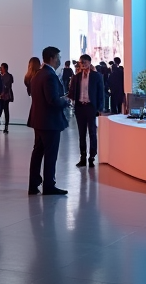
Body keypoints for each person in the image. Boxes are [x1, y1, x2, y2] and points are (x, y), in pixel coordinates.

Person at [27, 46, 70, 196]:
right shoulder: (49, 76)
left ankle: (33, 185)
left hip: (38, 121)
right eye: (58, 57)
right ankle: (49, 186)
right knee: (50, 155)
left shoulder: (37, 74)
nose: (59, 60)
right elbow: (52, 100)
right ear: (52, 58)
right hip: (50, 122)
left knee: (37, 153)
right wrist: (65, 100)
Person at [70, 54, 104, 168]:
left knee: (92, 133)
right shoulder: (76, 77)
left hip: (91, 107)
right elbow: (72, 92)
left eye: (84, 62)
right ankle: (83, 157)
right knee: (81, 133)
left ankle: (92, 157)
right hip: (80, 107)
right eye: (81, 62)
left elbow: (100, 93)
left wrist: (100, 108)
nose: (83, 64)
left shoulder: (96, 76)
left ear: (89, 62)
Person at [0, 63, 14, 132]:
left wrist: (2, 93)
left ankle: (6, 126)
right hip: (1, 96)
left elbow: (6, 86)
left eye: (1, 68)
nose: (0, 69)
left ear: (5, 68)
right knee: (1, 110)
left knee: (5, 110)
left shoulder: (8, 76)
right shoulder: (2, 76)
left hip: (5, 96)